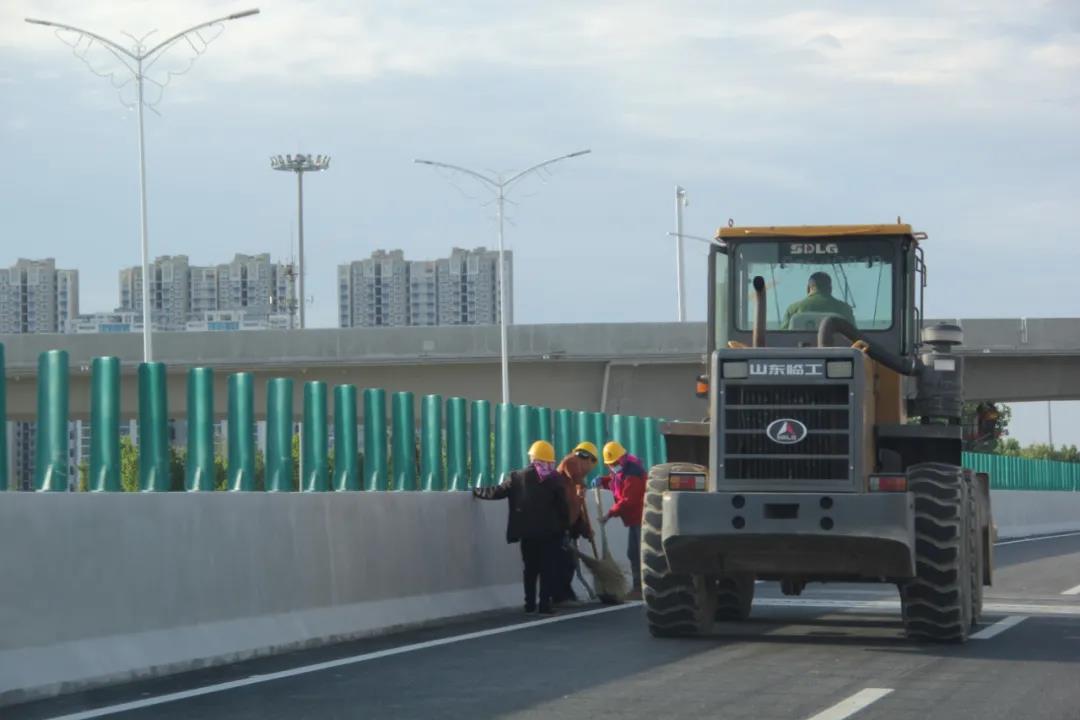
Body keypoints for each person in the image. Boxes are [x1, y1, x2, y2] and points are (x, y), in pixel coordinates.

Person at [473, 440, 569, 614]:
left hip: (528, 533)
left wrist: (477, 491)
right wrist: (565, 527)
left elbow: (497, 492)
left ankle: (529, 604)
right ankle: (545, 604)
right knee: (548, 568)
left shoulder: (518, 476)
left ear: (532, 457)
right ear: (550, 459)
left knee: (530, 569)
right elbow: (563, 507)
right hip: (550, 533)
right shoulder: (555, 479)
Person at [597, 441, 647, 600]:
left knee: (638, 554)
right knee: (633, 553)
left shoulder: (634, 473)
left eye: (613, 463)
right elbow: (616, 481)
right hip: (634, 520)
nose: (612, 467)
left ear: (621, 459)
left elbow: (628, 500)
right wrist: (603, 481)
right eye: (609, 464)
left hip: (641, 519)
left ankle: (642, 589)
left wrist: (609, 514)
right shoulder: (623, 470)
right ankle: (639, 588)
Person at [552, 442, 599, 605]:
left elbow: (577, 510)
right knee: (563, 561)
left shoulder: (574, 483)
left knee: (569, 562)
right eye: (590, 467)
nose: (588, 471)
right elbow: (574, 473)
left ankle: (565, 594)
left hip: (568, 524)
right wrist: (581, 485)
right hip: (559, 523)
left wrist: (586, 530)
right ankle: (561, 596)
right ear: (589, 459)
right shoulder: (572, 461)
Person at [781, 271, 856, 329]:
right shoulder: (845, 308)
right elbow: (855, 337)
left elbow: (782, 338)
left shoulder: (793, 309)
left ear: (808, 288)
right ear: (830, 289)